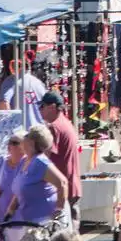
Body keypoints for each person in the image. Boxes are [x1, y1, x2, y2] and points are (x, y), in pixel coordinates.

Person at [4, 126, 69, 229]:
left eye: (26, 135)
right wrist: (11, 210)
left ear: (31, 142)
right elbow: (21, 188)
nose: (23, 138)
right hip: (30, 221)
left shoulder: (40, 162)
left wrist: (58, 212)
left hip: (44, 222)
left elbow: (62, 183)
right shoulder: (24, 161)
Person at [39, 92, 81, 230]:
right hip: (72, 184)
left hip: (61, 188)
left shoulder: (54, 127)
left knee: (60, 233)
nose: (40, 110)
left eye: (42, 106)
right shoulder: (67, 124)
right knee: (71, 233)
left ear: (52, 107)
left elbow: (44, 159)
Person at [0, 133, 24, 235]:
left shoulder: (27, 164)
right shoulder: (1, 161)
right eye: (11, 143)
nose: (11, 145)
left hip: (18, 218)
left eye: (16, 143)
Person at [0, 57, 47, 128]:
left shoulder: (11, 80)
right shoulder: (38, 83)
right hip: (38, 129)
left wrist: (9, 127)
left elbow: (4, 104)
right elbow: (46, 106)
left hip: (20, 130)